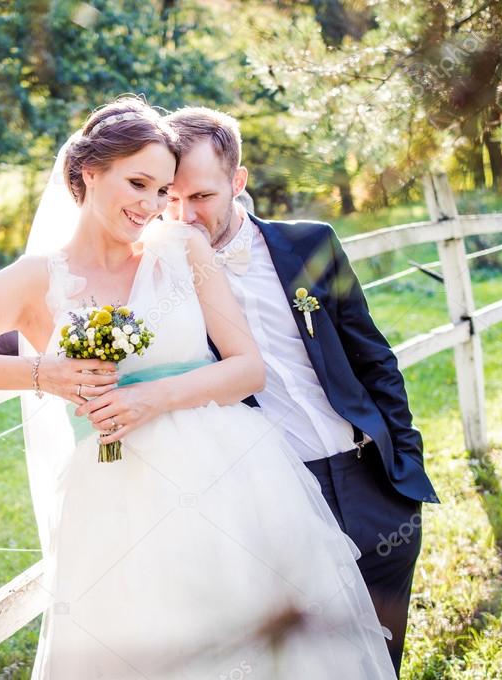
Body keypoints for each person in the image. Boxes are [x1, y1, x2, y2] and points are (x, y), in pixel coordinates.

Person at [0, 96, 395, 678]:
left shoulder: (183, 251)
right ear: (89, 172)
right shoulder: (36, 279)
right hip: (117, 494)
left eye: (162, 191)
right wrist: (43, 374)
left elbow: (246, 369)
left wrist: (147, 399)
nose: (153, 206)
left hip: (233, 474)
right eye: (138, 183)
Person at [161, 106, 440, 675]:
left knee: (383, 655)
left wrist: (404, 458)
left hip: (374, 482)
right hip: (282, 495)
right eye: (171, 198)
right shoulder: (161, 275)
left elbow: (373, 356)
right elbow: (73, 308)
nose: (185, 216)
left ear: (238, 183)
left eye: (202, 197)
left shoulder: (312, 244)